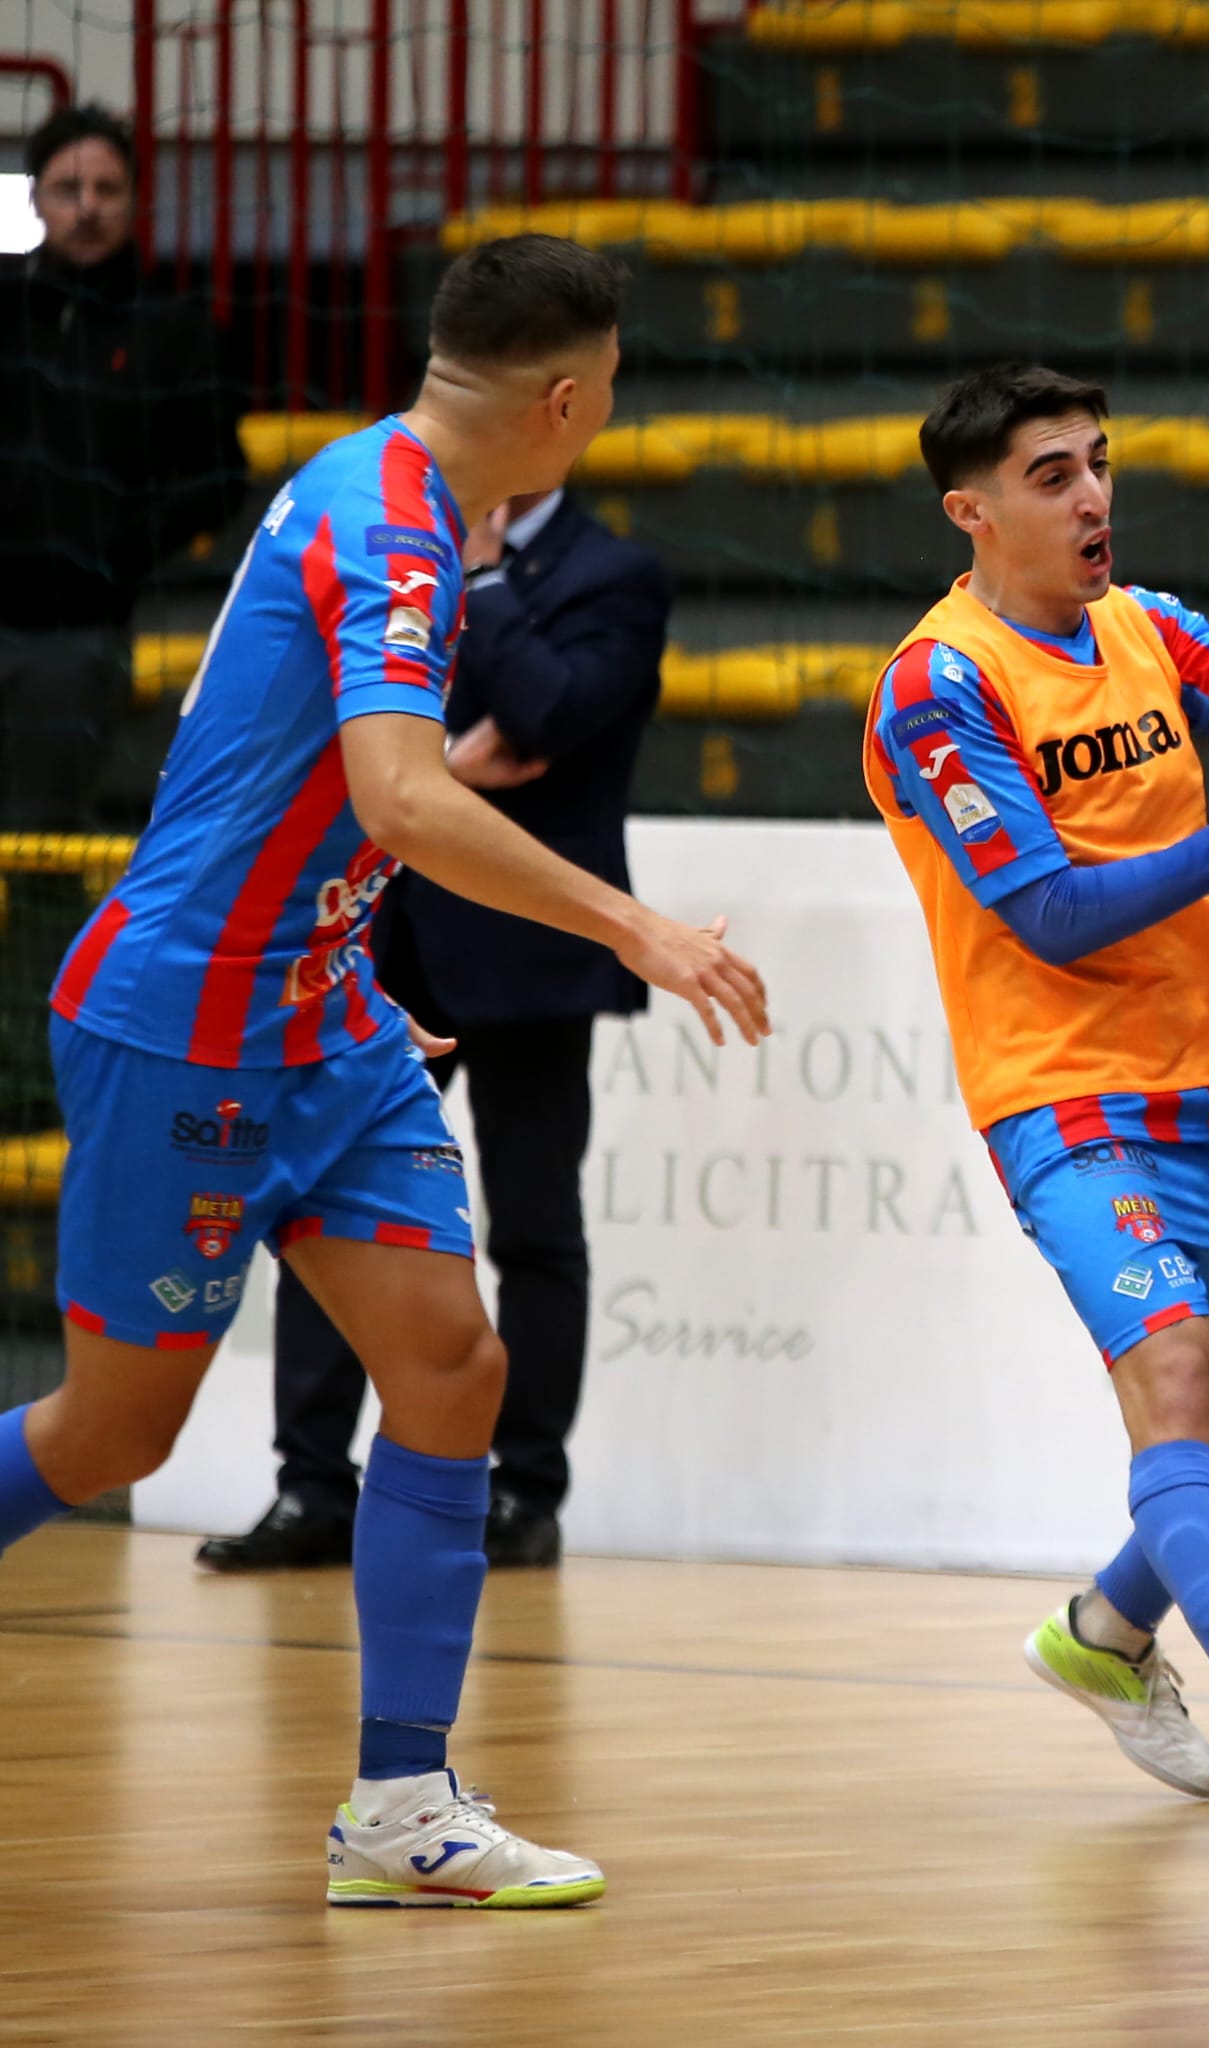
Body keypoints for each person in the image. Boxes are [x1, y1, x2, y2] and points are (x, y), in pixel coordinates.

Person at [0, 234, 769, 1909]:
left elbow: (305, 786)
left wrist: (339, 959)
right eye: (609, 389)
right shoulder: (395, 523)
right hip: (189, 1020)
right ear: (563, 401)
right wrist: (632, 925)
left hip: (320, 1014)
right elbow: (402, 796)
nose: (608, 411)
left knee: (451, 1365)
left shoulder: (380, 483)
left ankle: (401, 1802)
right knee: (111, 1437)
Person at [861, 364, 1209, 1837]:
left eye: (1099, 463)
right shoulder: (939, 684)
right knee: (1174, 1371)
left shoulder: (1150, 627)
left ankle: (1105, 1632)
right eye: (1052, 474)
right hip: (1058, 1090)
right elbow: (1051, 914)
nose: (1092, 497)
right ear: (972, 511)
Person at [194, 484, 670, 1574]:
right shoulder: (401, 547)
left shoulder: (613, 573)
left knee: (534, 1228)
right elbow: (350, 732)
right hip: (383, 944)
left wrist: (487, 574)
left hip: (535, 954)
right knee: (327, 1209)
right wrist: (446, 765)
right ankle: (312, 1485)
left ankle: (524, 1492)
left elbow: (547, 715)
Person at [0, 102, 246, 828]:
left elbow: (220, 478)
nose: (87, 207)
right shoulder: (4, 313)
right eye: (67, 188)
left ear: (135, 200)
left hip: (77, 636)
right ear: (35, 198)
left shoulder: (177, 331)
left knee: (40, 836)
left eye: (106, 189)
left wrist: (116, 549)